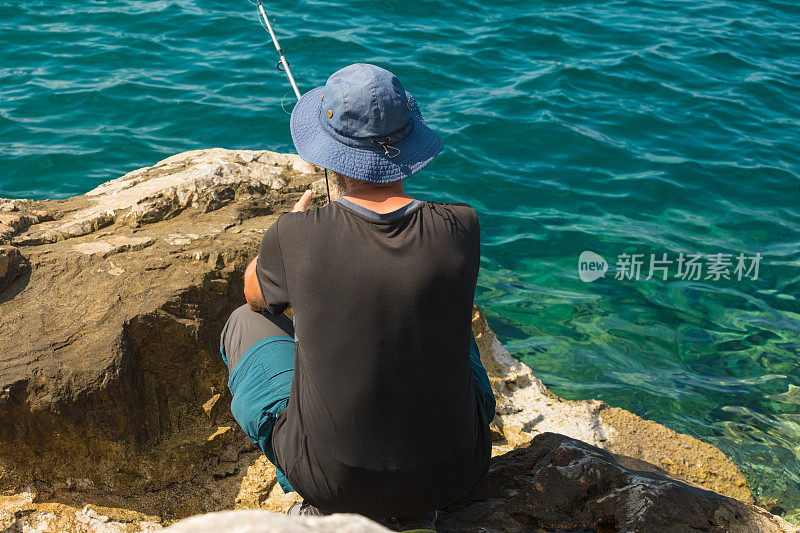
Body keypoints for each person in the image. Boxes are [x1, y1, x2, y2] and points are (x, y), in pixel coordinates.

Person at [220, 63, 495, 532]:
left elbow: (254, 296)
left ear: (328, 158)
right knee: (450, 323)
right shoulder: (461, 226)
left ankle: (321, 509)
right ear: (409, 141)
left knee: (242, 324)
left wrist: (289, 230)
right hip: (455, 473)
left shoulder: (296, 234)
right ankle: (415, 511)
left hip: (335, 483)